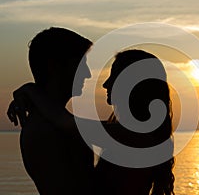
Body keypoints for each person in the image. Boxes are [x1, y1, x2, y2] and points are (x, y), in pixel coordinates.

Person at [9, 48, 175, 194]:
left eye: (114, 76)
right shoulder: (130, 134)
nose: (105, 84)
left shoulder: (136, 138)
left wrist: (31, 90)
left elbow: (67, 123)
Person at [7, 27, 95, 194]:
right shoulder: (44, 130)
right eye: (80, 64)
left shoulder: (53, 123)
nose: (88, 74)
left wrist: (32, 91)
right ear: (54, 66)